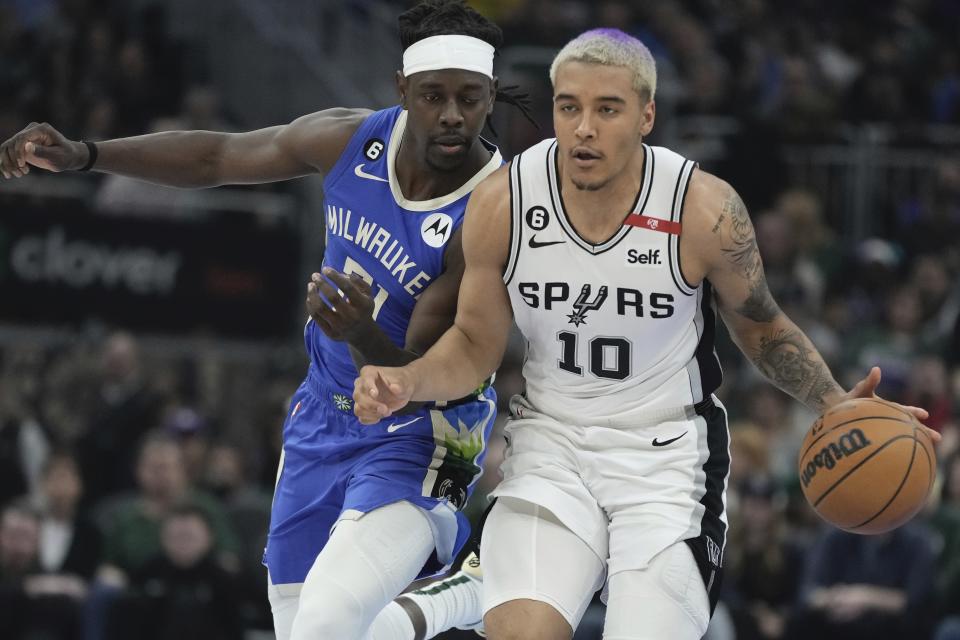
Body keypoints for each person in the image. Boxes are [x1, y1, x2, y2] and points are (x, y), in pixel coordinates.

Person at [353, 28, 938, 640]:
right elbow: (474, 345)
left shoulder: (703, 209)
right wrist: (407, 379)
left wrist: (833, 400)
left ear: (646, 116)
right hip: (553, 445)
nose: (584, 127)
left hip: (667, 461)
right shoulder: (503, 202)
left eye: (607, 109)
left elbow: (761, 325)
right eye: (568, 106)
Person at [0, 2, 536, 637]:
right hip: (320, 417)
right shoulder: (351, 137)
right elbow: (219, 157)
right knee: (308, 629)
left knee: (327, 620)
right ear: (401, 89)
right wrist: (87, 154)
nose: (451, 116)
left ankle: (456, 595)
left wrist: (361, 332)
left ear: (491, 95)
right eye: (433, 96)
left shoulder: (490, 210)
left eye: (470, 99)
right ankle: (470, 587)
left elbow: (415, 382)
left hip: (421, 434)